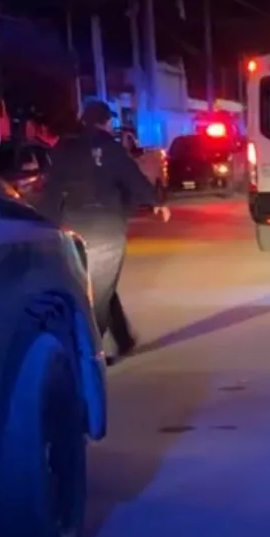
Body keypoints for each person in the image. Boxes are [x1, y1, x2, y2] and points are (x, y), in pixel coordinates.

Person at [39, 99, 171, 364]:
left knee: (100, 284)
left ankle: (123, 338)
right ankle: (91, 353)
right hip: (107, 229)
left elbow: (52, 189)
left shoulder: (63, 148)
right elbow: (132, 177)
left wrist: (47, 224)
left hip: (73, 229)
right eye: (110, 121)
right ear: (104, 121)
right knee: (99, 290)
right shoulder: (109, 147)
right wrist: (157, 203)